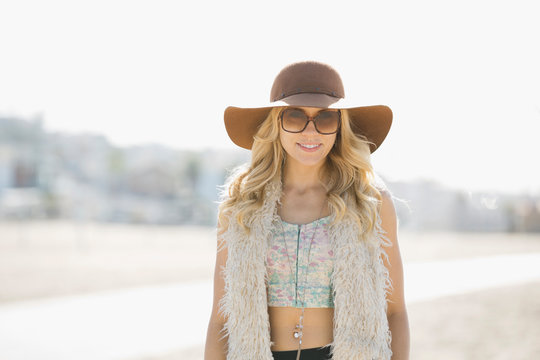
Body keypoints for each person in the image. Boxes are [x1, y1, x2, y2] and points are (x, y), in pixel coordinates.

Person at [204, 61, 409, 360]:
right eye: (296, 116)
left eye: (325, 118)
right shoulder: (242, 203)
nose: (310, 131)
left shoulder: (371, 202)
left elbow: (396, 311)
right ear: (276, 122)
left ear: (339, 126)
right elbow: (221, 318)